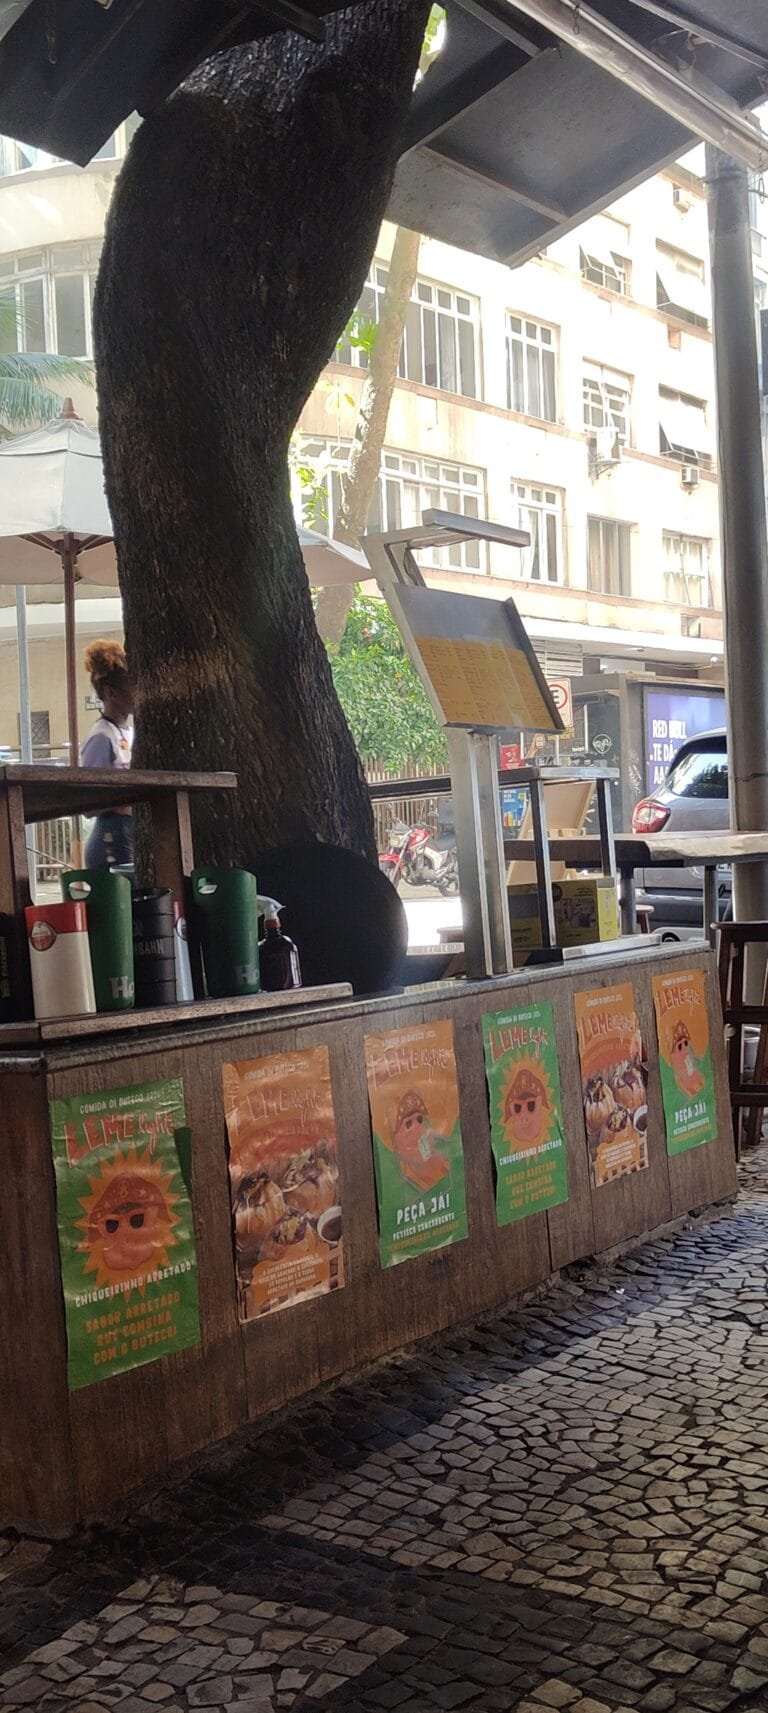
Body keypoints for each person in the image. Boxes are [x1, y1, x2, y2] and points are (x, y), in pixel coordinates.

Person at [80, 640, 134, 869]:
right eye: (131, 687)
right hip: (112, 837)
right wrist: (120, 801)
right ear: (111, 693)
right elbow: (88, 803)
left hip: (130, 831)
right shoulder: (101, 737)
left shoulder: (130, 732)